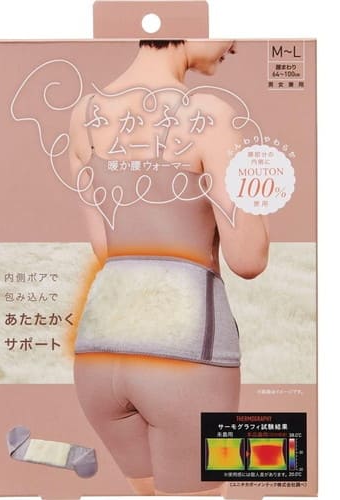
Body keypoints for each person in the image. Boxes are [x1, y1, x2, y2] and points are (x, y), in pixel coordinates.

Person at [67, 39, 269, 496]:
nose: (234, 44)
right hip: (184, 359)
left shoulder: (84, 115)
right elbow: (248, 259)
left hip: (99, 358)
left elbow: (106, 248)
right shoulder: (209, 114)